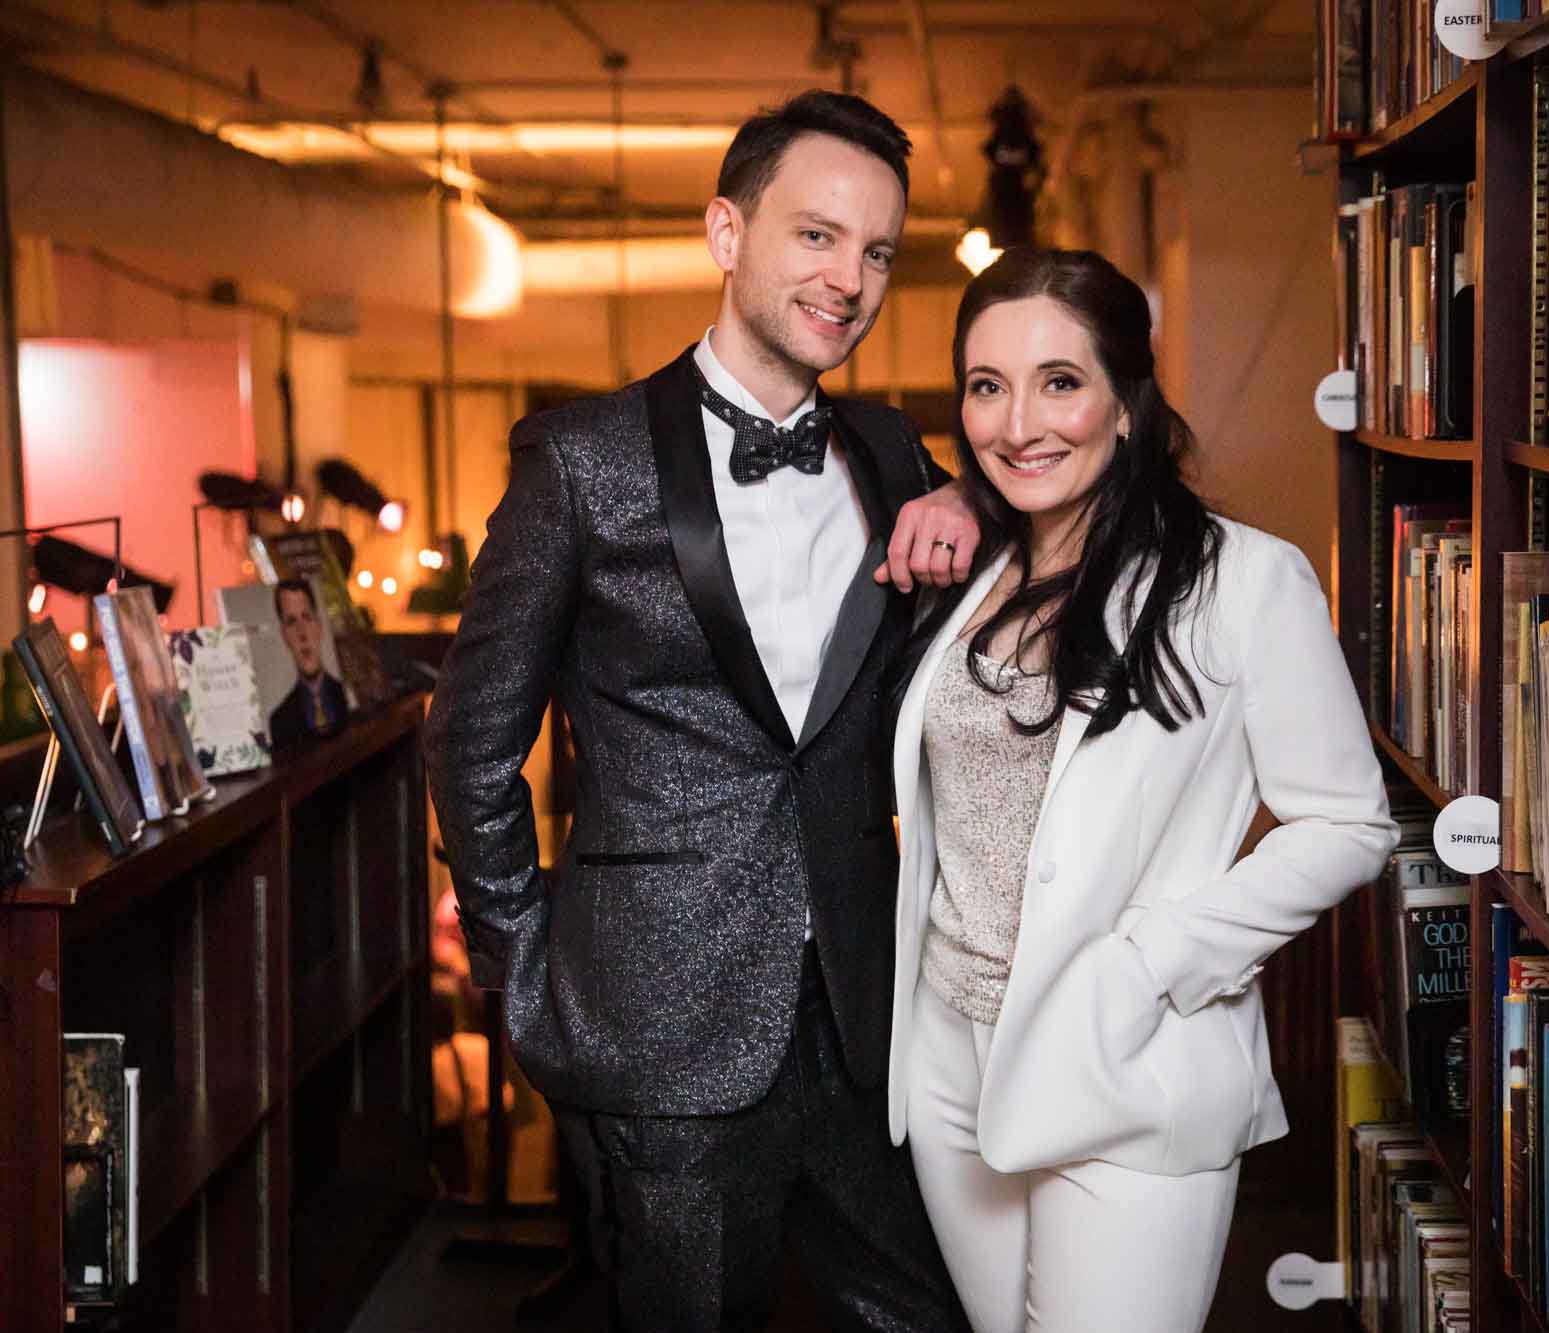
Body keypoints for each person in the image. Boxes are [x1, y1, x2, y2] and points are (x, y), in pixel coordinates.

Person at [424, 90, 977, 1332]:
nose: (850, 278)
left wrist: (977, 511)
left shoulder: (893, 455)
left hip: (866, 1014)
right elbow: (468, 750)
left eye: (878, 250)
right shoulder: (580, 461)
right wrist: (529, 983)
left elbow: (1029, 527)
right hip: (655, 1028)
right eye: (817, 235)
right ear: (726, 232)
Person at [887, 248, 1399, 1332]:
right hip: (948, 1061)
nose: (1017, 421)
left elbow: (1347, 823)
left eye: (1058, 382)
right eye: (986, 386)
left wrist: (1151, 962)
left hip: (1124, 1053)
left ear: (1124, 402)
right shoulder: (972, 571)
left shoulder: (1239, 580)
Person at [269, 577, 348, 748]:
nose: (302, 633)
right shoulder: (279, 720)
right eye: (292, 621)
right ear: (284, 636)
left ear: (319, 626)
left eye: (307, 617)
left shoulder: (348, 696)